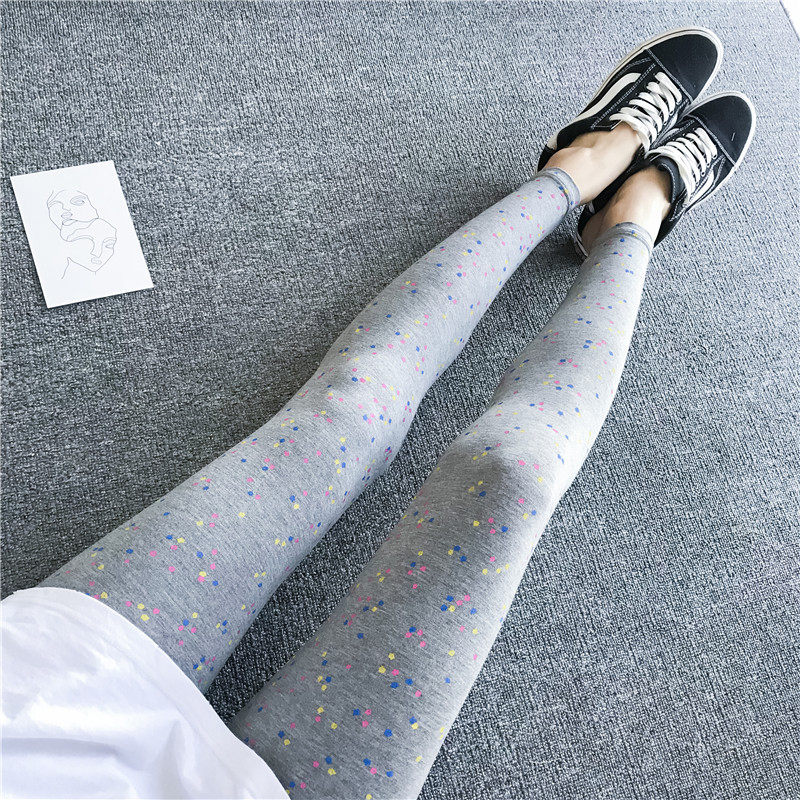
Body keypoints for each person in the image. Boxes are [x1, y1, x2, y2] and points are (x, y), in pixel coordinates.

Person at [1, 26, 755, 800]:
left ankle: (578, 166)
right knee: (513, 480)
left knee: (350, 411)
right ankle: (634, 219)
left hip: (47, 712)